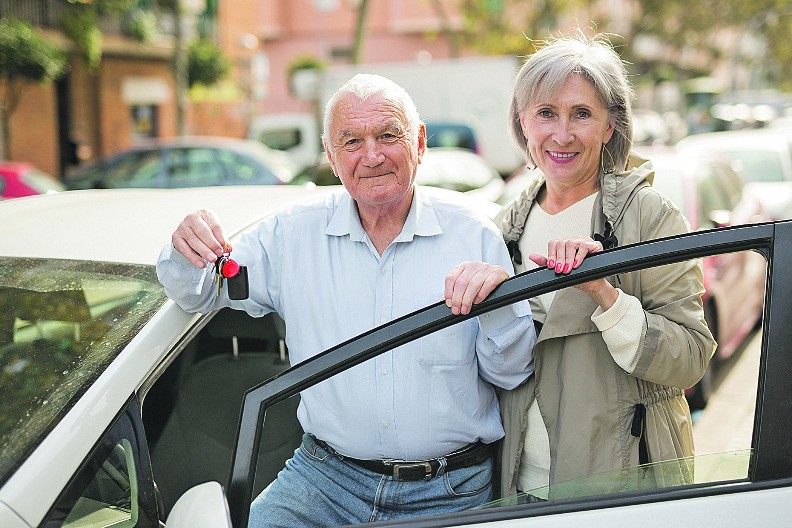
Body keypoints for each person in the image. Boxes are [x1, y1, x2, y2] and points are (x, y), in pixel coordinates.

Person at [156, 73, 537, 527]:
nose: (371, 155)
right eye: (351, 141)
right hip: (324, 481)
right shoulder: (289, 236)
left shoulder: (473, 235)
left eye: (387, 135)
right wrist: (187, 248)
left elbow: (512, 372)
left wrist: (495, 307)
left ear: (418, 143)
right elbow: (200, 291)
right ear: (331, 156)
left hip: (450, 489)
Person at [493, 31, 716, 500]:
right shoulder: (503, 230)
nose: (562, 133)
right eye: (546, 114)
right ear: (522, 122)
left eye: (582, 114)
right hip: (521, 490)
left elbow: (692, 357)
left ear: (610, 126)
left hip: (621, 489)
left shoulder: (651, 216)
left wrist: (607, 298)